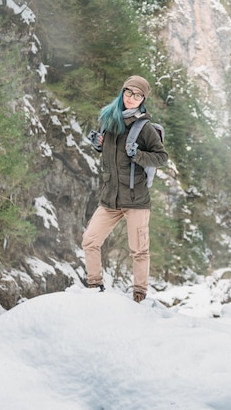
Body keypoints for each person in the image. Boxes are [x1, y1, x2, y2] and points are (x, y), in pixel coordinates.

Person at [82, 75, 168, 303]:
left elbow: (161, 157)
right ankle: (94, 286)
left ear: (143, 99)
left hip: (136, 200)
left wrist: (138, 155)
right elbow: (111, 156)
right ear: (123, 93)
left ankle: (139, 295)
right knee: (90, 240)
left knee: (139, 250)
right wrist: (99, 146)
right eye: (129, 92)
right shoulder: (109, 121)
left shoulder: (144, 127)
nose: (132, 98)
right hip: (110, 198)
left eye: (138, 95)